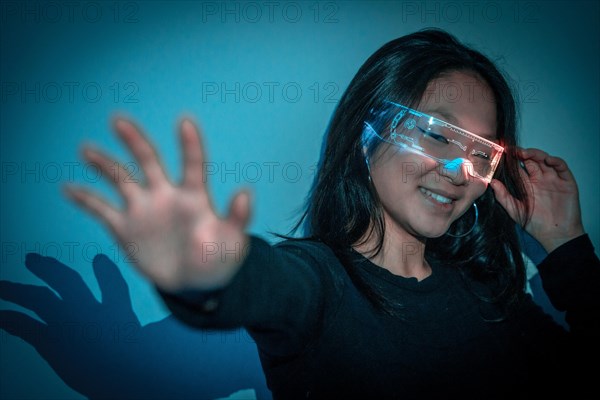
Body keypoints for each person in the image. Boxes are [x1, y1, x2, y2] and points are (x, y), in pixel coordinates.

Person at [64, 28, 600, 399]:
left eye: (482, 153)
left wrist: (568, 246)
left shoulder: (487, 292)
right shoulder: (320, 283)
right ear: (369, 134)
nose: (461, 171)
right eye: (437, 134)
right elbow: (264, 280)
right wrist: (206, 264)